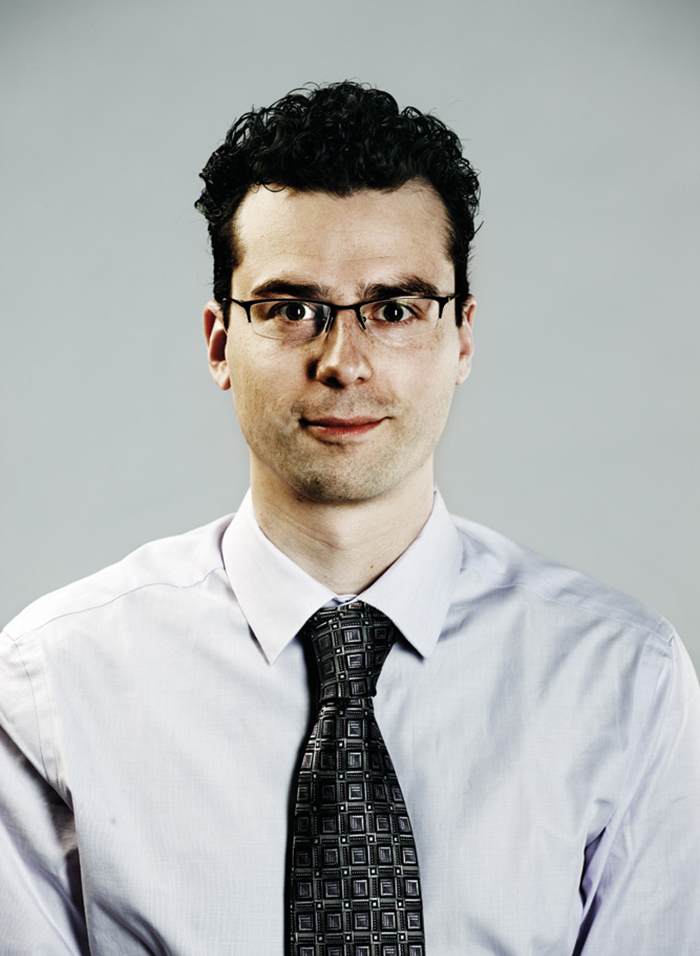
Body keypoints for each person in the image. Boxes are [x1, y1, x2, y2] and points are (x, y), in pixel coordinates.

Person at [1, 81, 698, 956]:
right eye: (292, 310)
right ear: (220, 341)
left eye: (394, 309)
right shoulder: (53, 684)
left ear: (463, 337)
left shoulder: (623, 680)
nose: (344, 361)